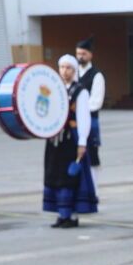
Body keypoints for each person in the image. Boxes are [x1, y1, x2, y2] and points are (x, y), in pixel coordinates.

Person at [43, 56, 97, 230]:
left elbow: (84, 118)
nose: (64, 71)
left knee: (69, 177)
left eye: (68, 68)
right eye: (62, 67)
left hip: (71, 140)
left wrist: (82, 142)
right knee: (55, 174)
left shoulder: (80, 91)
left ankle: (71, 215)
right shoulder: (54, 89)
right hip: (55, 140)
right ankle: (61, 213)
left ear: (74, 71)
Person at [71, 39, 106, 168]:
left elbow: (96, 102)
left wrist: (78, 109)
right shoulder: (73, 74)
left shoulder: (96, 76)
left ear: (91, 55)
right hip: (74, 121)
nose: (80, 57)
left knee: (91, 157)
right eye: (78, 54)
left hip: (91, 121)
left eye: (83, 54)